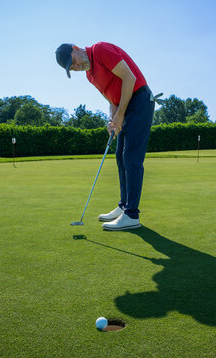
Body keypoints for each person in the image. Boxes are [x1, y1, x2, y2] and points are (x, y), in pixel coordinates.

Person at [55, 42, 155, 231]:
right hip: (126, 105)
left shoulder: (100, 50)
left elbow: (129, 78)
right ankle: (124, 206)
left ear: (76, 48)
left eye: (73, 62)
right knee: (120, 156)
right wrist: (113, 120)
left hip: (140, 99)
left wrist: (120, 115)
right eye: (72, 68)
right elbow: (112, 99)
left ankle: (132, 215)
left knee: (131, 158)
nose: (76, 67)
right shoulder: (90, 76)